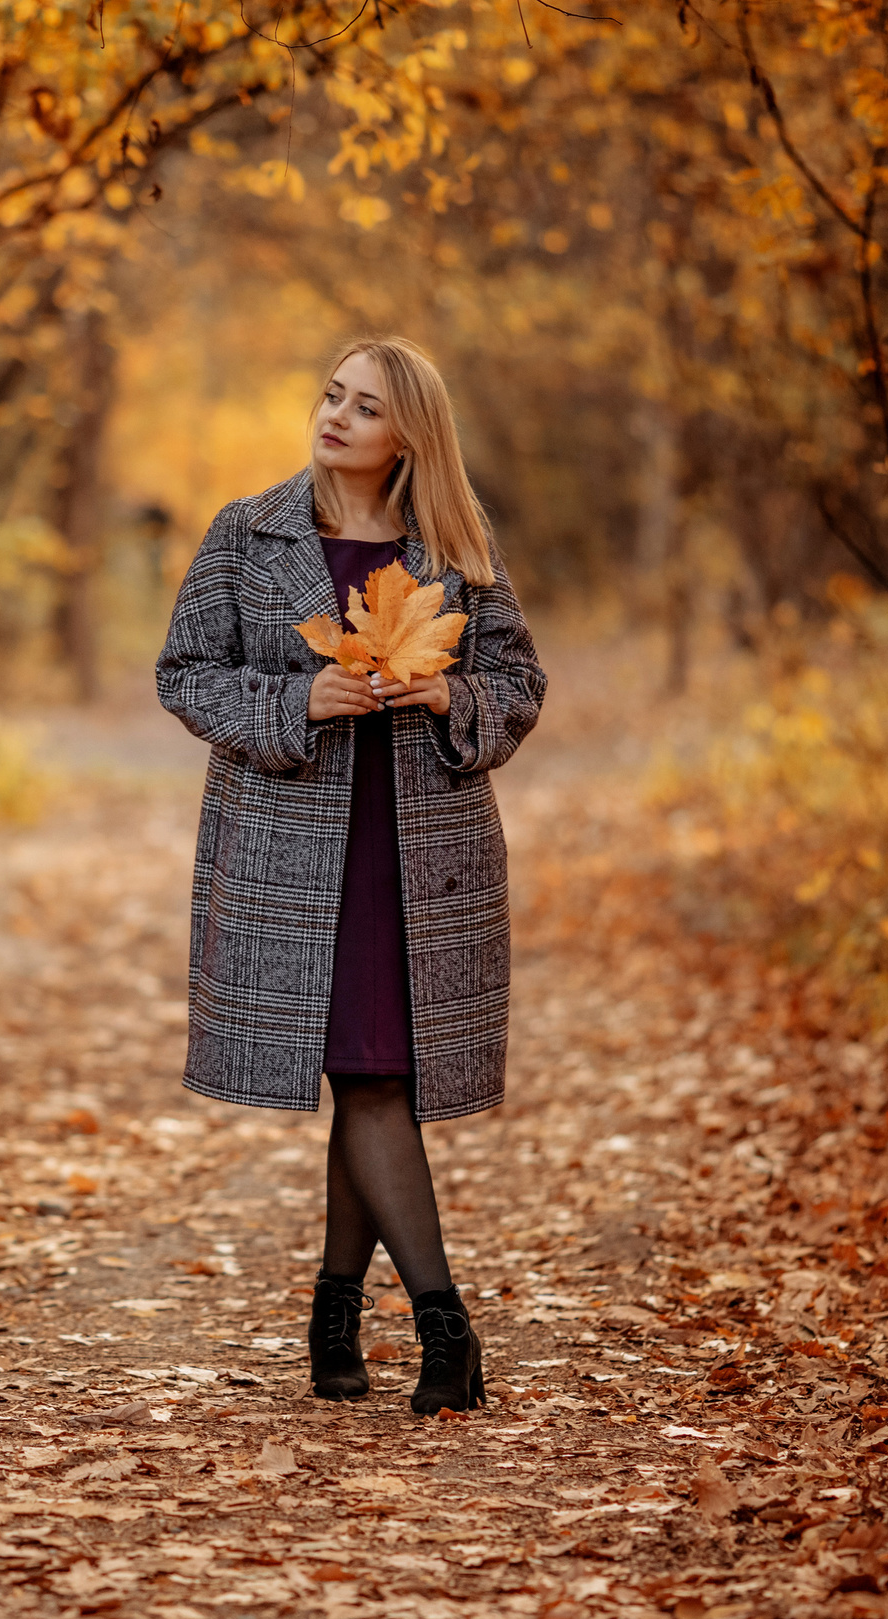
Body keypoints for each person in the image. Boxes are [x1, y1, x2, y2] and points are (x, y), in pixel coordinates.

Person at [154, 336, 547, 1415]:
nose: (334, 418)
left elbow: (516, 679)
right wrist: (293, 706)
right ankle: (440, 1327)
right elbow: (183, 672)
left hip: (418, 856)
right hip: (289, 851)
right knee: (366, 1080)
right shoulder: (248, 532)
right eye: (332, 395)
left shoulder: (453, 546)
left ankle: (338, 1312)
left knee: (373, 1079)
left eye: (365, 408)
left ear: (407, 436)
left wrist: (448, 701)